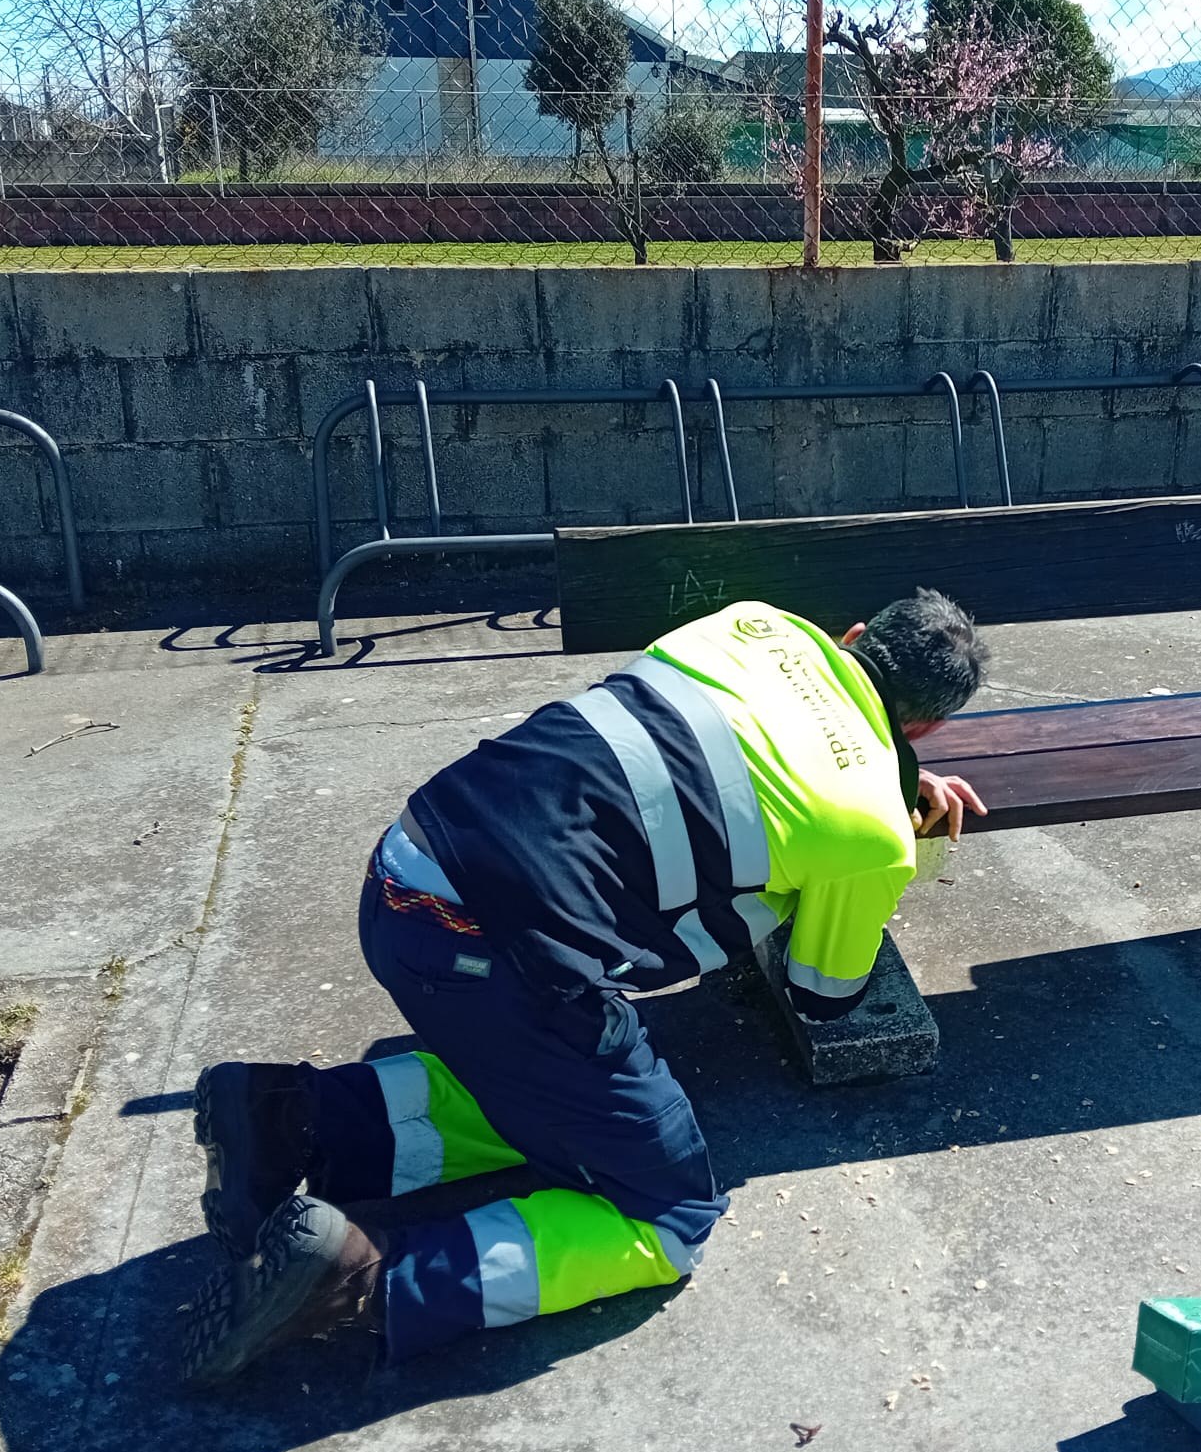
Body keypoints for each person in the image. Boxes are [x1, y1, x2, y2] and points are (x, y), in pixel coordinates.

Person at [180, 590, 991, 1384]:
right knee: (667, 1219)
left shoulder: (755, 624)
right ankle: (360, 1277)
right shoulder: (872, 832)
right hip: (496, 960)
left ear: (855, 632)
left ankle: (288, 1120)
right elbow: (822, 990)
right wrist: (894, 841)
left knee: (544, 1088)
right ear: (929, 727)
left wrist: (888, 777)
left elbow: (747, 753)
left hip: (406, 869)